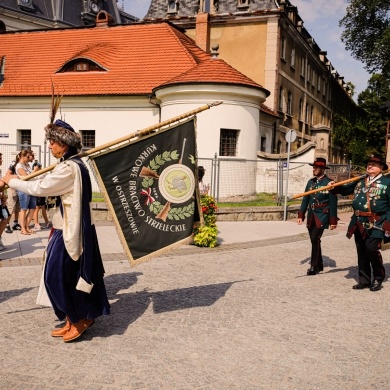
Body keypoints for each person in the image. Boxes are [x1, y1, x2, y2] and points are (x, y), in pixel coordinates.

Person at [2, 119, 110, 342]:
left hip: (69, 229)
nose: (49, 146)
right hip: (68, 226)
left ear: (64, 143)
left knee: (56, 277)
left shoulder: (70, 168)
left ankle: (78, 320)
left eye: (52, 142)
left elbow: (40, 188)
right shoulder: (72, 164)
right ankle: (73, 319)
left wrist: (13, 181)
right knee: (67, 277)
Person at [335, 154, 390, 291]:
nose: (369, 165)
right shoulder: (360, 180)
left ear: (381, 168)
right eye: (369, 163)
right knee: (361, 250)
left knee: (371, 249)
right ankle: (364, 280)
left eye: (373, 164)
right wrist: (333, 187)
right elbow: (345, 190)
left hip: (377, 221)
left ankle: (378, 277)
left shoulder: (387, 183)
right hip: (358, 220)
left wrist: (388, 223)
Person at [297, 157, 338, 275]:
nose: (314, 169)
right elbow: (305, 199)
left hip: (322, 215)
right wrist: (301, 215)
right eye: (313, 167)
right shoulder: (310, 182)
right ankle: (319, 264)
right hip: (311, 215)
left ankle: (314, 267)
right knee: (314, 240)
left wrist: (333, 220)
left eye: (316, 168)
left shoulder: (328, 183)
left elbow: (333, 202)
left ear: (323, 169)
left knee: (315, 238)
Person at [14, 150, 37, 235]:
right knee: (23, 209)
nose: (28, 158)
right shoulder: (19, 166)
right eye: (27, 157)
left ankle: (27, 227)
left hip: (31, 188)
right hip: (23, 189)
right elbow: (26, 177)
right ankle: (23, 229)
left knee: (32, 208)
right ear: (22, 156)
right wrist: (35, 171)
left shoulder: (27, 165)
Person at [5, 158, 22, 233]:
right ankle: (6, 225)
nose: (32, 158)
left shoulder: (25, 165)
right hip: (12, 188)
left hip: (19, 188)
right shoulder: (14, 163)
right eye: (30, 156)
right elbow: (7, 174)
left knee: (17, 207)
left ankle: (15, 223)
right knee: (11, 207)